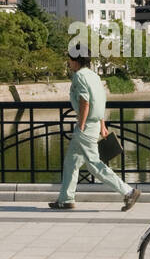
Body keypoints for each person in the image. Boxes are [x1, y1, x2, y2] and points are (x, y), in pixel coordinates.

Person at [48, 48, 142, 211]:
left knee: (94, 165)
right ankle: (65, 199)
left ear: (75, 60)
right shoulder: (94, 76)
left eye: (70, 59)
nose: (69, 62)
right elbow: (100, 101)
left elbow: (85, 102)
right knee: (71, 162)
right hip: (94, 124)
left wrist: (82, 124)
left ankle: (129, 191)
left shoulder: (79, 76)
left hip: (86, 126)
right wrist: (102, 125)